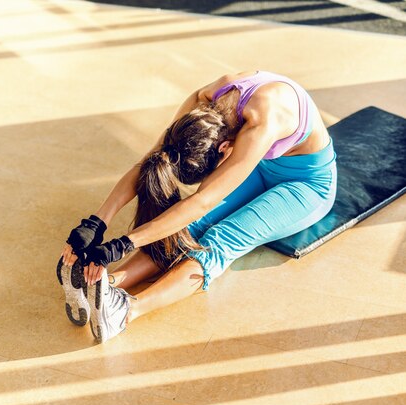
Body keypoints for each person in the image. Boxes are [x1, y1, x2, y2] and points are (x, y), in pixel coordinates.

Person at [57, 69, 337, 343]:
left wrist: (122, 244)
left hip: (306, 185)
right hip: (261, 166)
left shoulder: (262, 122)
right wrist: (96, 223)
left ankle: (126, 310)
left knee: (221, 240)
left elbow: (201, 201)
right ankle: (105, 285)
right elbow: (151, 161)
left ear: (225, 148)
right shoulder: (207, 100)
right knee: (188, 228)